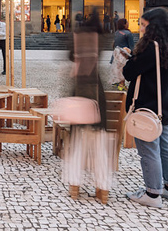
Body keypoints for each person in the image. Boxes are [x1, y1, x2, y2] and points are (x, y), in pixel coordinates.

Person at [123, 7, 168, 207]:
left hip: (149, 104)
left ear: (155, 27)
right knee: (164, 144)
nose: (141, 29)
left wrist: (130, 57)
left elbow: (129, 72)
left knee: (148, 149)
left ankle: (152, 194)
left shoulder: (151, 47)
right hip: (167, 104)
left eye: (144, 25)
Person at [62, 13, 112, 202]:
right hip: (97, 95)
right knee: (100, 145)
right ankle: (103, 188)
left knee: (77, 144)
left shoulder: (77, 38)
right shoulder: (101, 39)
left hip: (79, 92)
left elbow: (70, 56)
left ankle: (75, 185)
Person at [110, 18, 135, 90]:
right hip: (124, 55)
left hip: (117, 54)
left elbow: (114, 44)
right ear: (124, 24)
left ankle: (120, 84)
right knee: (123, 70)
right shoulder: (128, 34)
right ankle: (122, 85)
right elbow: (131, 46)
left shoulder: (116, 32)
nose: (128, 23)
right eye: (127, 22)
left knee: (119, 70)